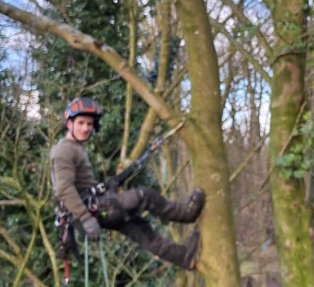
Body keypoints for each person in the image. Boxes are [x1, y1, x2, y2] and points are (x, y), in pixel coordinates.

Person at [50, 96, 203, 270]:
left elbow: (82, 186)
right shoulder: (64, 149)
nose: (86, 128)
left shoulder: (76, 147)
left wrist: (109, 186)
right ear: (69, 124)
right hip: (88, 212)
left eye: (89, 124)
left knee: (140, 229)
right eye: (81, 123)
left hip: (93, 208)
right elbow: (63, 188)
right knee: (144, 196)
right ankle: (186, 213)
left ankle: (183, 257)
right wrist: (85, 219)